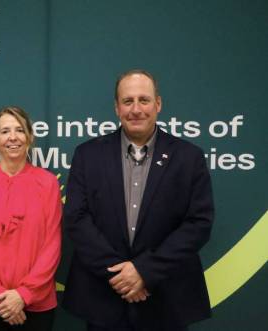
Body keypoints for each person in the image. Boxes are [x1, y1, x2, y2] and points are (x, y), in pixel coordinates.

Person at [63, 70, 214, 331]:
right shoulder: (88, 154)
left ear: (158, 104)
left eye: (143, 100)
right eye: (128, 101)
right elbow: (76, 218)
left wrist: (144, 271)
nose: (136, 109)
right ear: (116, 107)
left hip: (166, 297)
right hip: (103, 298)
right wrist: (120, 275)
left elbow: (198, 224)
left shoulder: (189, 157)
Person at [0, 106, 62, 331]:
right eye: (5, 131)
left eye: (20, 130)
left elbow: (52, 245)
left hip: (36, 305)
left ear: (30, 137)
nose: (13, 137)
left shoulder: (48, 183)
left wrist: (23, 295)